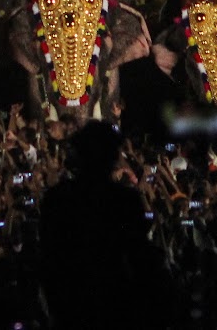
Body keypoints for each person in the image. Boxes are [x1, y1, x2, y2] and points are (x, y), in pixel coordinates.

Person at [39, 123, 171, 328]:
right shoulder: (125, 201)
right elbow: (140, 259)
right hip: (111, 303)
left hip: (77, 304)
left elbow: (49, 260)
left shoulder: (57, 198)